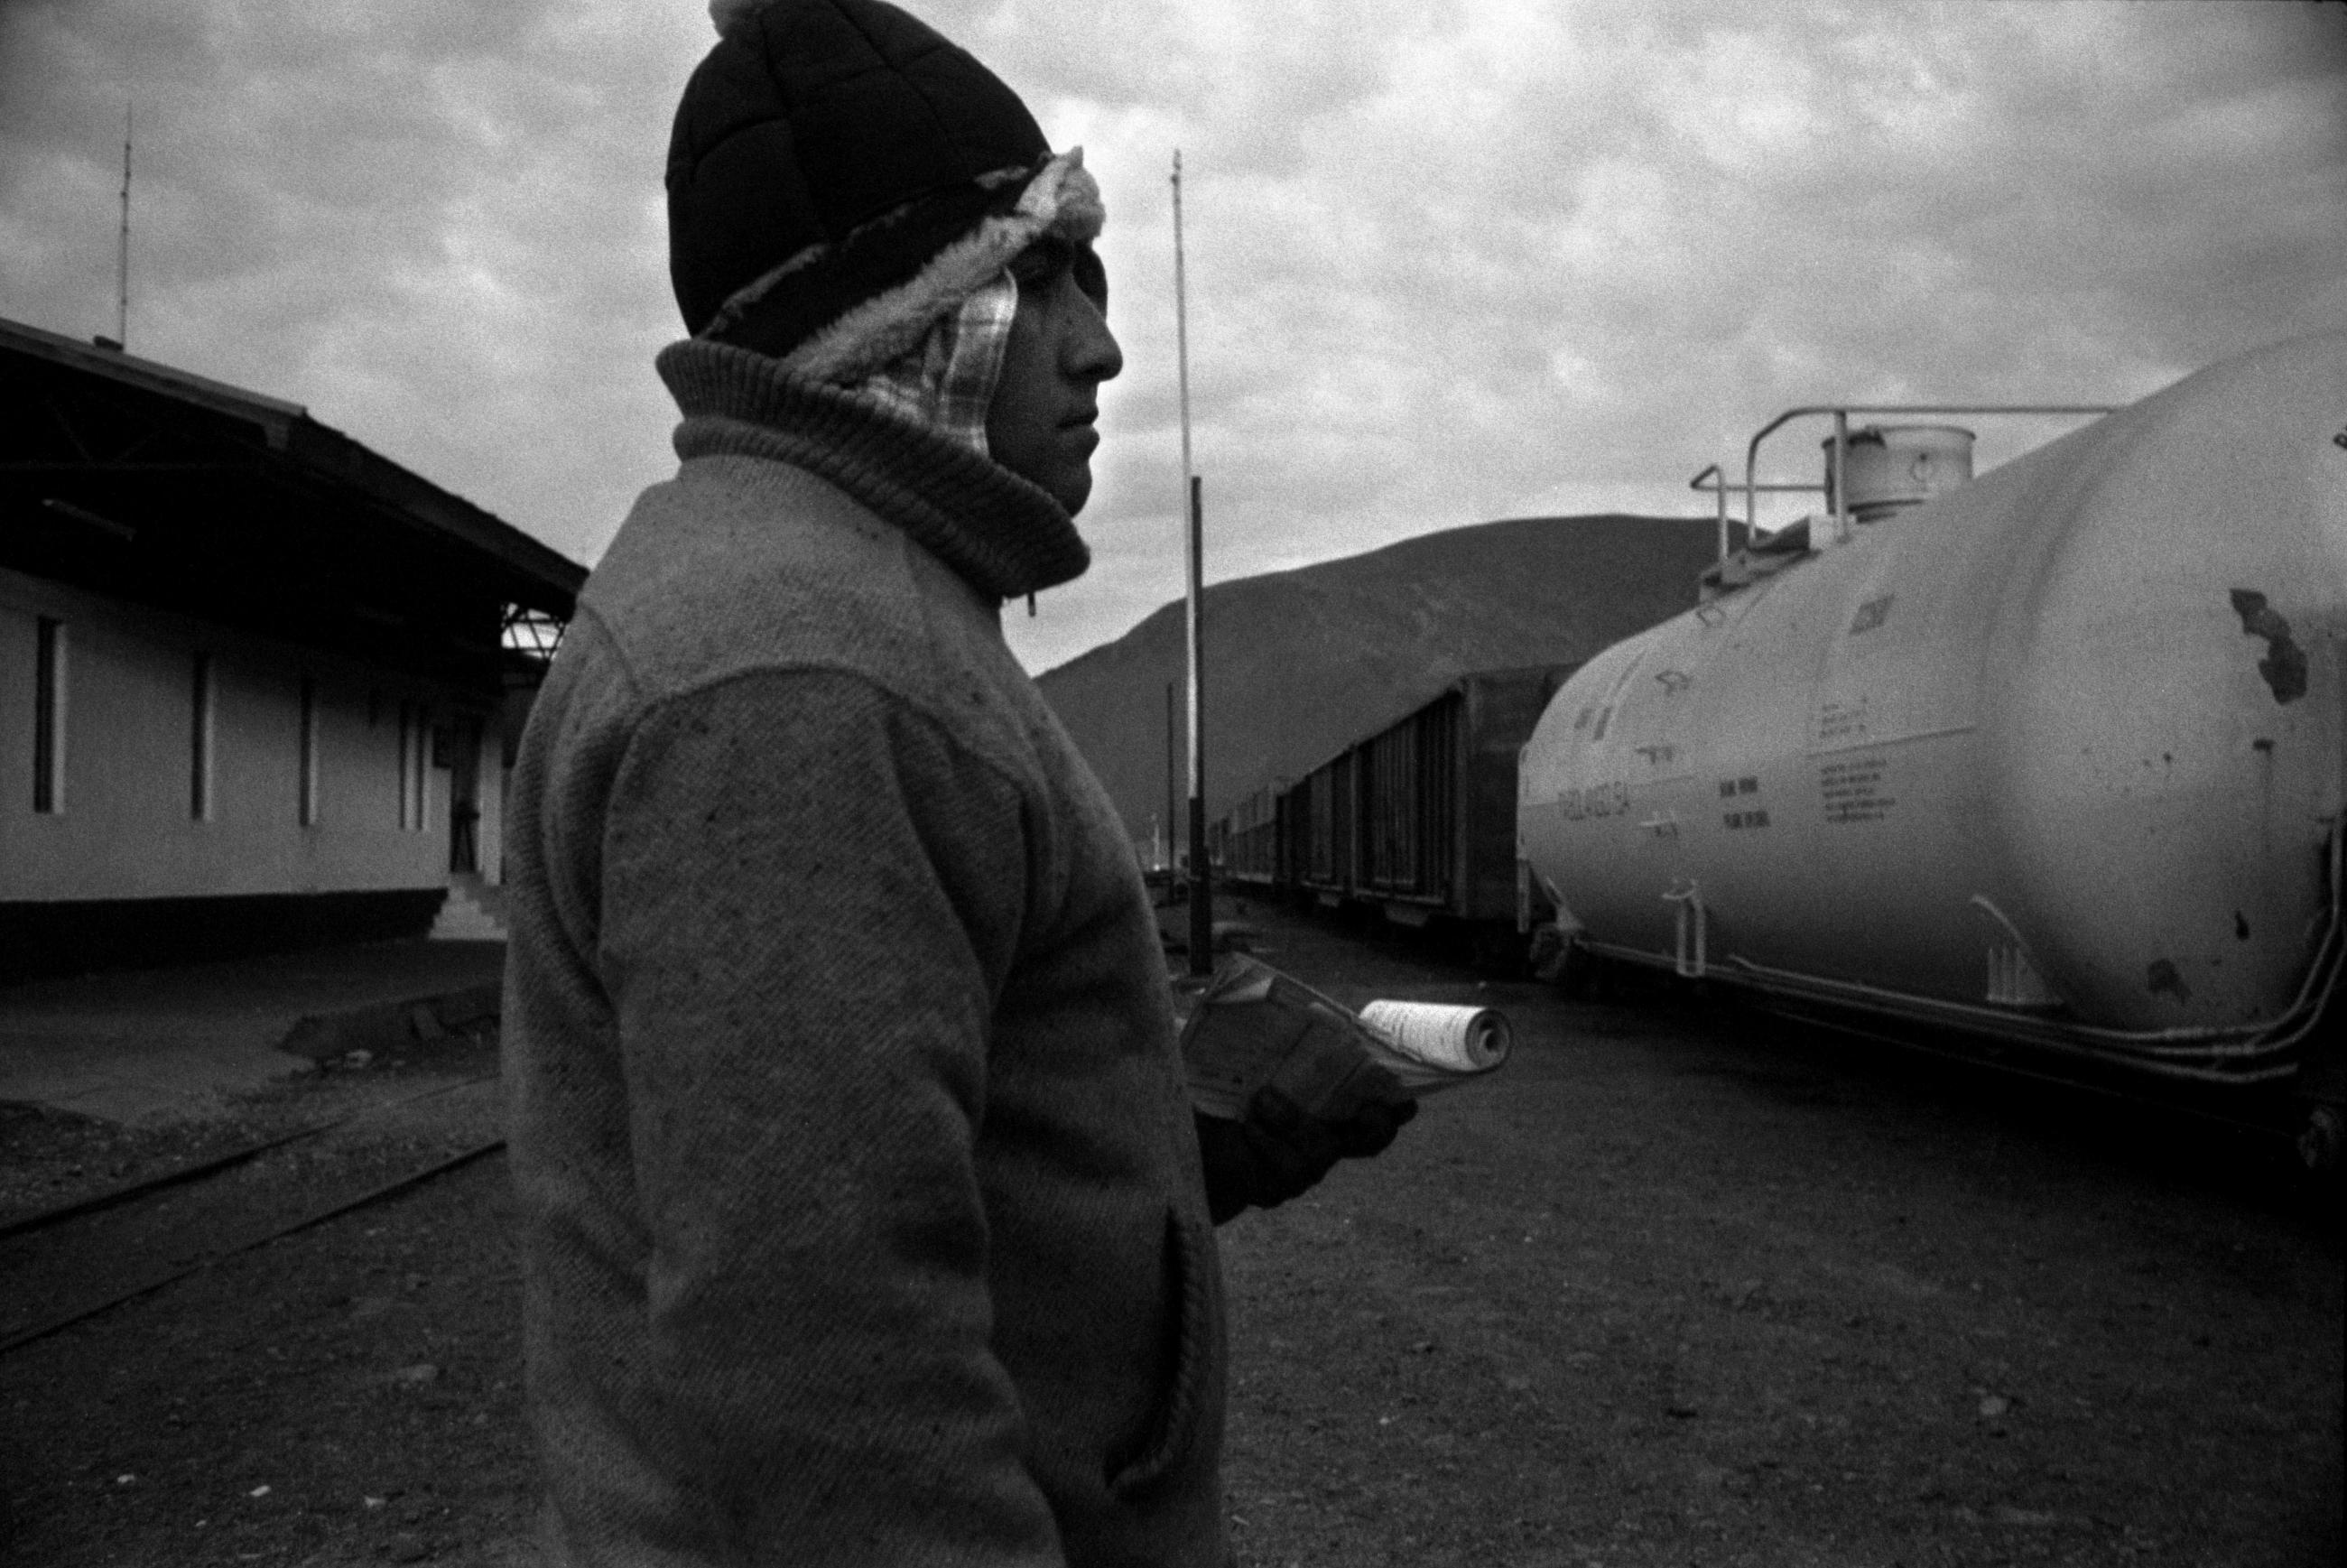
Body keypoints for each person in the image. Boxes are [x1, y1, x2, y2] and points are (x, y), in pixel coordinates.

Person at [502, 3, 1412, 1563]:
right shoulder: (803, 672)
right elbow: (834, 1387)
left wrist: (1171, 1127)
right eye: (1039, 276)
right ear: (910, 321)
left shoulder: (845, 606)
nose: (1099, 343)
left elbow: (871, 1164)